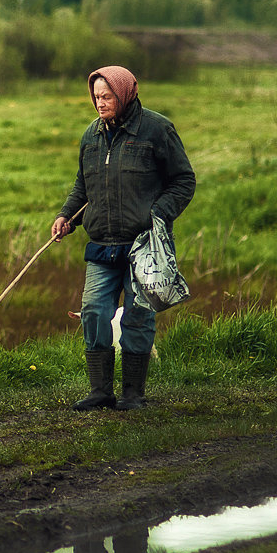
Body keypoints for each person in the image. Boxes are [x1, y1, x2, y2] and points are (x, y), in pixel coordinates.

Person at [52, 66, 195, 411]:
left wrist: (157, 215)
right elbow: (82, 187)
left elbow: (183, 181)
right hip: (101, 244)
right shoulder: (91, 135)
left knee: (137, 316)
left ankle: (133, 394)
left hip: (142, 247)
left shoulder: (157, 130)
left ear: (125, 93)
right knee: (93, 311)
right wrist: (65, 216)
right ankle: (100, 391)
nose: (100, 104)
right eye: (96, 97)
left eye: (107, 97)